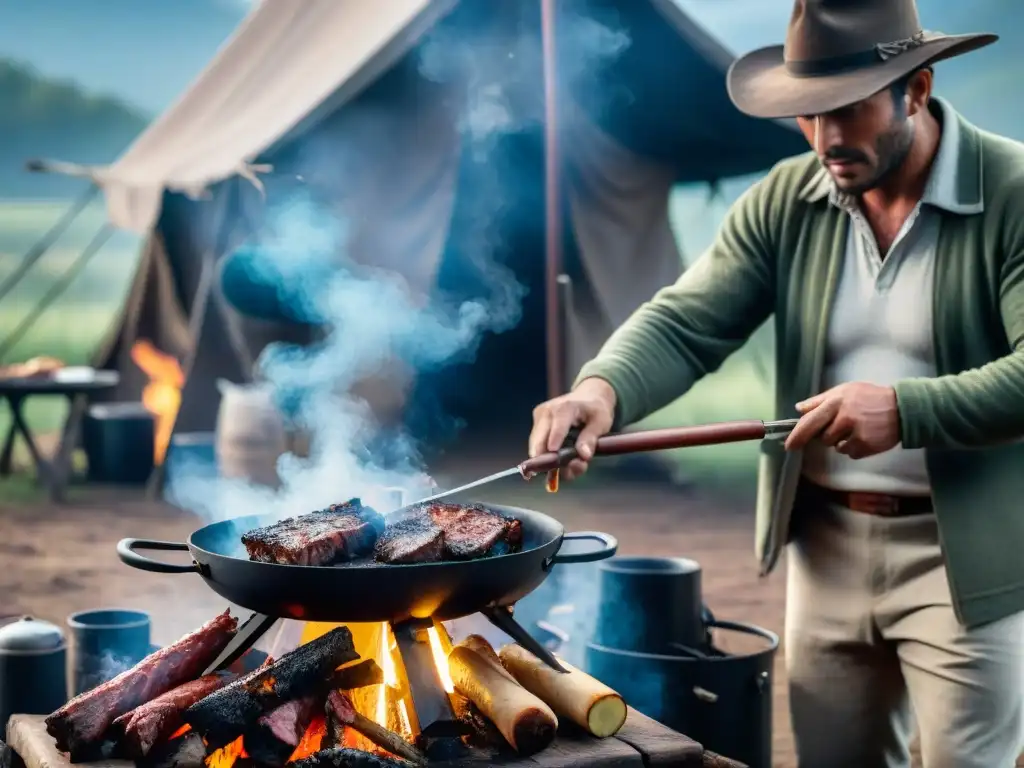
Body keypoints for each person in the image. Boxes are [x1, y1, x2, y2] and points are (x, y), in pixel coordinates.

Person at [528, 1, 1024, 766]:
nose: (825, 138)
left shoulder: (1015, 191)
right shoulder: (787, 200)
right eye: (807, 114)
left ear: (917, 89)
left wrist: (904, 409)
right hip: (823, 549)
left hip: (967, 561)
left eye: (848, 110)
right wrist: (600, 392)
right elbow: (687, 320)